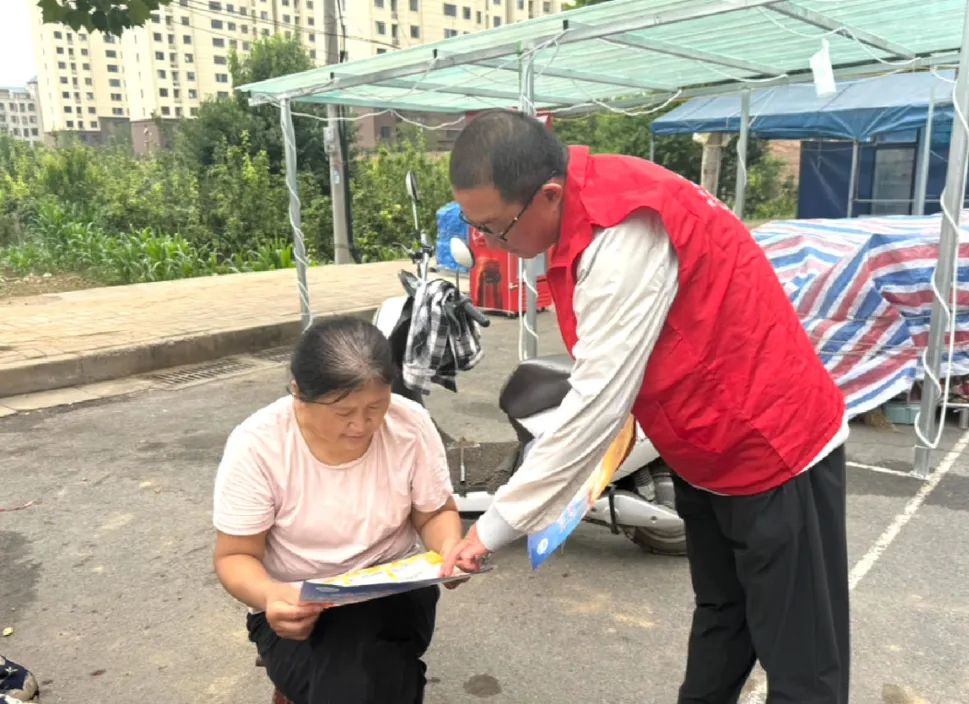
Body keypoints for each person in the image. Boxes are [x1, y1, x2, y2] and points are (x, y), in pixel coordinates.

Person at [442, 110, 850, 704]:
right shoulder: (582, 206)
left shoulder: (623, 228)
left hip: (771, 445)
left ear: (547, 195)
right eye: (476, 227)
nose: (488, 243)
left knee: (801, 661)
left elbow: (597, 400)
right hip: (701, 449)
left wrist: (494, 527)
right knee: (722, 615)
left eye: (494, 228)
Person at [212, 316, 463, 704]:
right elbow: (235, 555)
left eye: (376, 406)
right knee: (373, 677)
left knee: (358, 670)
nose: (361, 425)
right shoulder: (259, 445)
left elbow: (433, 512)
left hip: (392, 591)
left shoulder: (409, 423)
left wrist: (448, 549)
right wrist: (270, 595)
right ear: (298, 393)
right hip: (296, 604)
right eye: (343, 412)